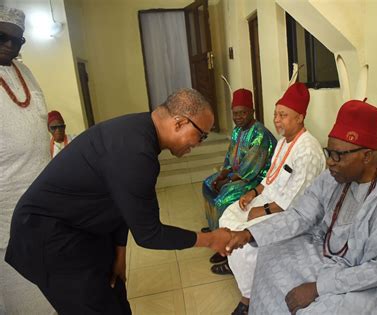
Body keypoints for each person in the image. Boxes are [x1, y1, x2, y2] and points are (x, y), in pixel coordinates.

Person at [225, 99, 377, 314]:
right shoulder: (335, 176)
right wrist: (249, 233)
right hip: (334, 257)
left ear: (367, 155)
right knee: (269, 256)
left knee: (318, 311)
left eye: (339, 155)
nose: (330, 163)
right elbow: (301, 215)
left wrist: (318, 288)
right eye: (329, 152)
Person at [5, 88, 233, 315]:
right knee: (97, 306)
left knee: (116, 299)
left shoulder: (140, 131)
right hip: (46, 238)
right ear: (180, 122)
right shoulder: (137, 153)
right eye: (201, 135)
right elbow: (150, 235)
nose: (200, 143)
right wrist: (211, 239)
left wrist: (120, 255)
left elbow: (121, 203)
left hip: (83, 227)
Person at [218, 83, 326, 314]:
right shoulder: (282, 142)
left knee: (245, 243)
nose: (277, 120)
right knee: (228, 216)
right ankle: (236, 264)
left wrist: (263, 210)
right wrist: (253, 192)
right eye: (276, 114)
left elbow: (297, 204)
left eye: (283, 115)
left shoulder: (308, 150)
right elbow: (269, 178)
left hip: (287, 214)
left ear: (300, 117)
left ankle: (248, 298)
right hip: (267, 201)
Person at [0, 6, 56, 315]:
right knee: (19, 290)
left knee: (47, 283)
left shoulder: (26, 72)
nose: (9, 45)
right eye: (2, 37)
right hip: (4, 206)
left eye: (17, 41)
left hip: (39, 196)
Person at [202, 88, 276, 265]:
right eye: (235, 113)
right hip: (237, 175)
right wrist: (222, 174)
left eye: (243, 113)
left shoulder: (260, 134)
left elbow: (249, 169)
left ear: (252, 112)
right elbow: (230, 158)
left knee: (224, 197)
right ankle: (215, 228)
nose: (239, 117)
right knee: (208, 183)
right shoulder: (237, 131)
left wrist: (227, 180)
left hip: (255, 180)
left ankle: (225, 248)